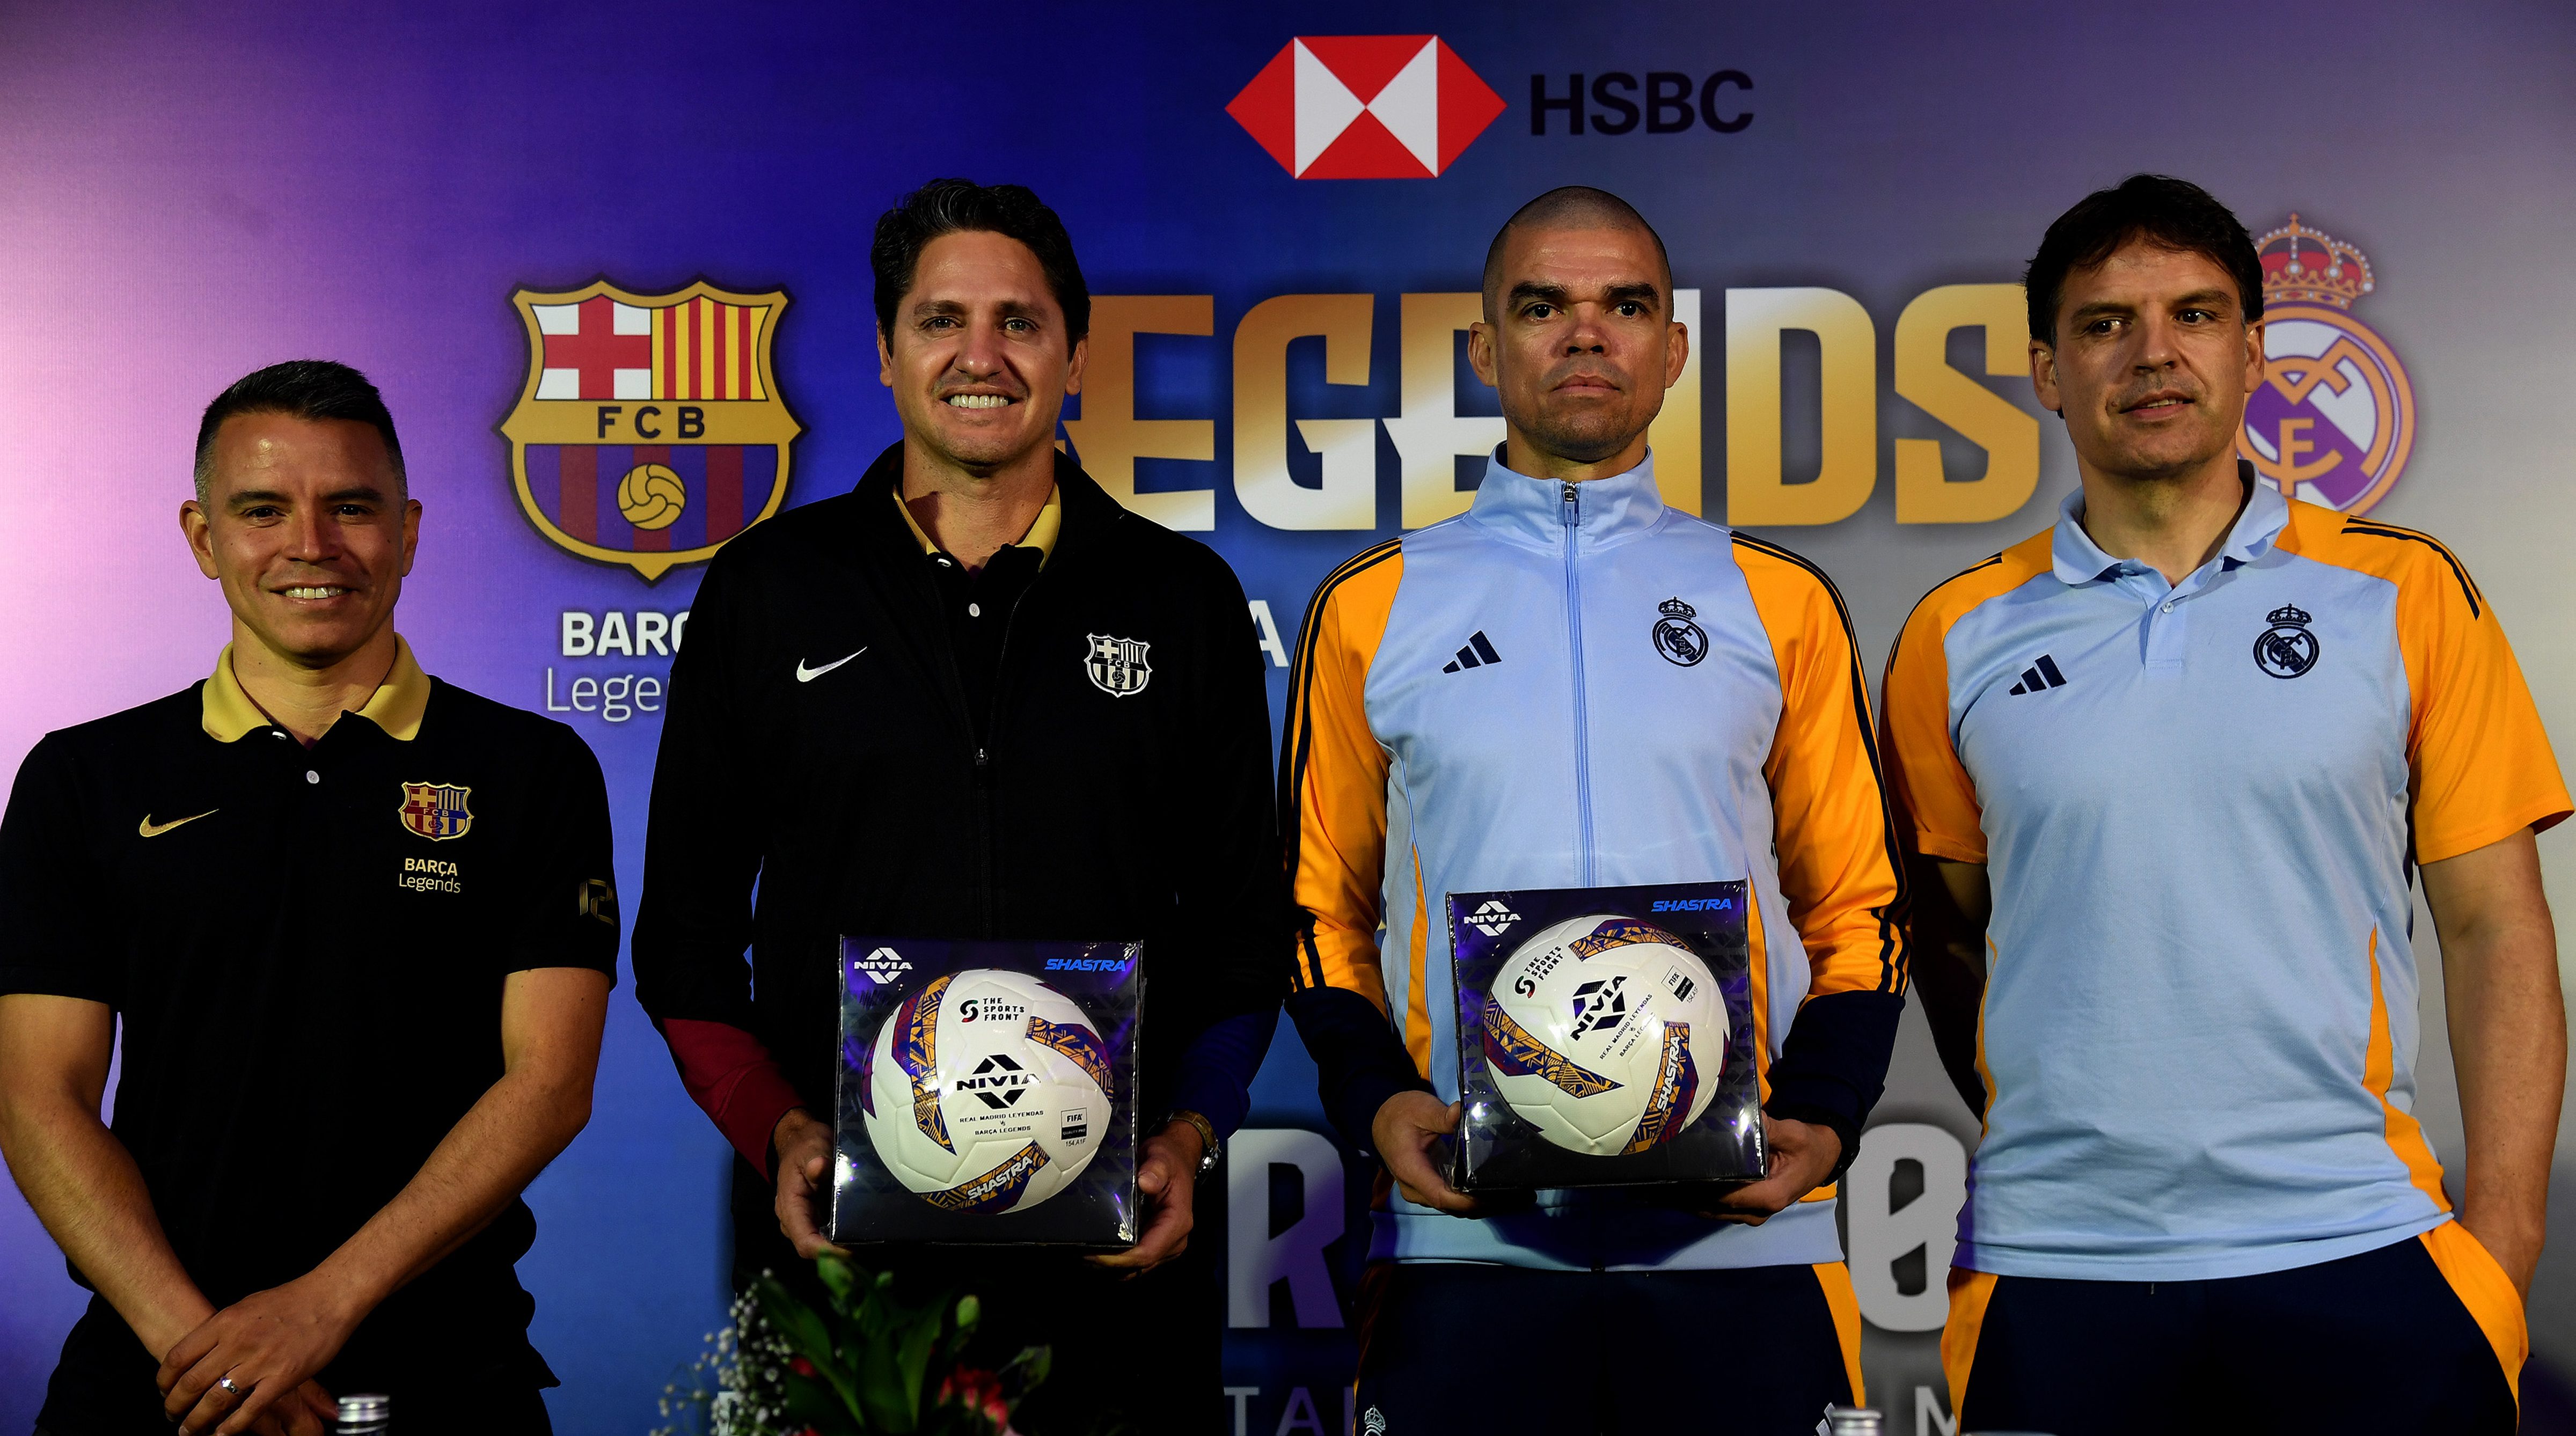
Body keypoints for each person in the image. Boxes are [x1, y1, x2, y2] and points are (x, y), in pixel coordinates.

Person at [1882, 174, 2564, 1435]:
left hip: (2360, 1247)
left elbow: (2496, 928)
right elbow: (1952, 935)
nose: (2153, 354)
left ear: (2254, 353)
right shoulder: (1951, 635)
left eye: (2194, 316)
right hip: (2056, 1266)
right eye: (2105, 324)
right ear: (2046, 371)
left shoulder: (2406, 593)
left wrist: (2504, 1249)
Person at [631, 179, 1281, 1435]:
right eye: (941, 321)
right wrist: (778, 1135)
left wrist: (1192, 1135)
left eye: (1018, 322)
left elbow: (1246, 931)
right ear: (885, 353)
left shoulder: (1182, 597)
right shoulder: (769, 589)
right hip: (840, 1263)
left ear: (1075, 356)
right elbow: (687, 938)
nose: (981, 356)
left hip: (1115, 1263)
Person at [1283, 187, 1906, 1433]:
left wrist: (1823, 1117)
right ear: (1484, 348)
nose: (1584, 333)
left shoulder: (1776, 598)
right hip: (1468, 1243)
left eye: (1624, 305)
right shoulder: (1372, 604)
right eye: (1542, 306)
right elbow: (1316, 911)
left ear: (1672, 350)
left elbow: (1860, 906)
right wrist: (1376, 1100)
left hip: (1743, 1243)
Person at [0, 360, 618, 1436]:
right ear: (202, 538)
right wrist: (210, 1353)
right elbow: (37, 1097)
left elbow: (552, 1083)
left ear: (409, 533)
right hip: (160, 1371)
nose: (311, 545)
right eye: (262, 511)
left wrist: (319, 1309)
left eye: (352, 508)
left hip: (449, 1372)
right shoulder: (83, 778)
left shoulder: (533, 771)